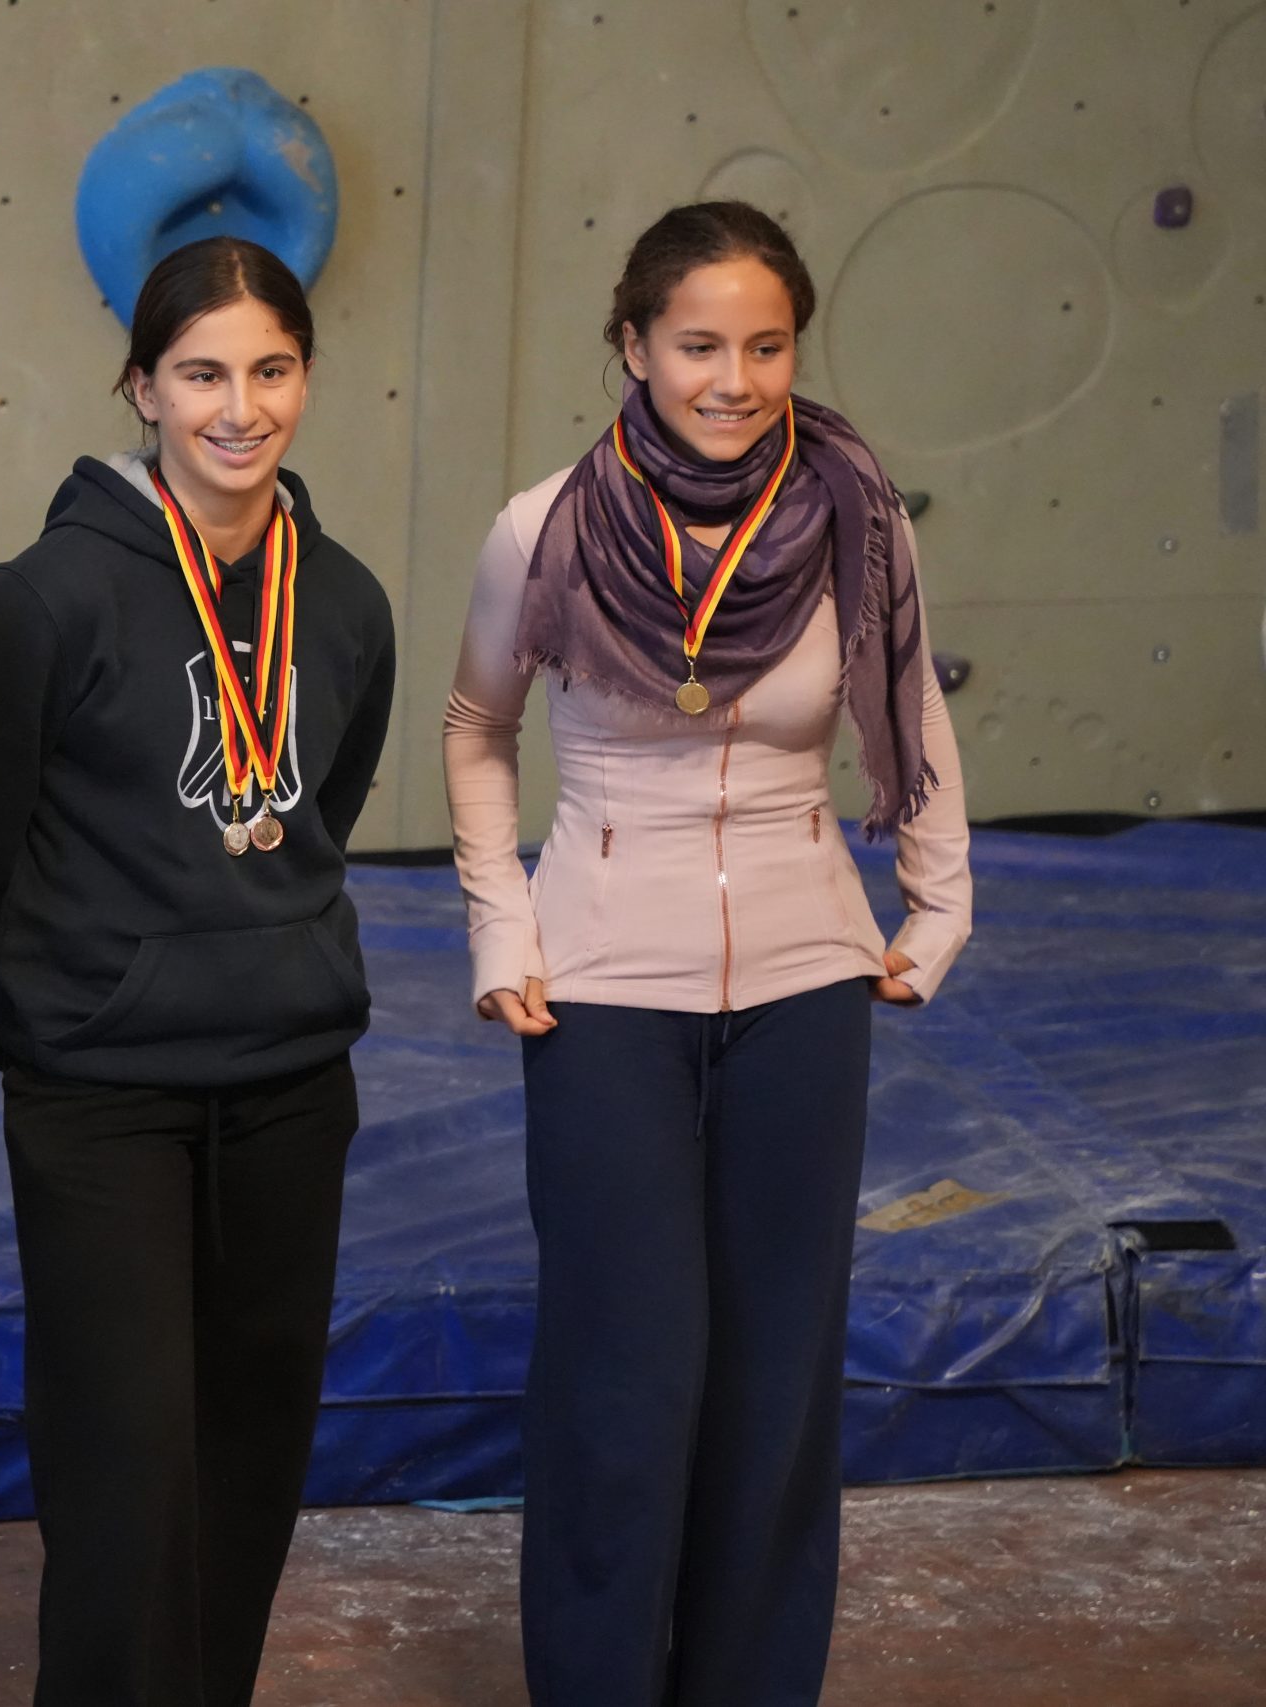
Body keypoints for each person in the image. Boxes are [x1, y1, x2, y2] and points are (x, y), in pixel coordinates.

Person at [441, 199, 974, 1706]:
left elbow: (911, 705)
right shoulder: (542, 526)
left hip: (810, 976)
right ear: (633, 346)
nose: (733, 380)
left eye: (766, 346)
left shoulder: (859, 514)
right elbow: (476, 729)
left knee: (778, 1376)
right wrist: (501, 922)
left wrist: (937, 903)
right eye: (697, 346)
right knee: (629, 1371)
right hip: (601, 985)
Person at [0, 235, 396, 1707]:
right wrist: (44, 1015)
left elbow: (322, 810)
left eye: (270, 371)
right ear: (142, 388)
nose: (239, 409)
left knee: (250, 1463)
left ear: (305, 378)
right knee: (124, 1474)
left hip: (293, 1085)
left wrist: (268, 952)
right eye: (201, 374)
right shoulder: (43, 599)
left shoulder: (346, 600)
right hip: (103, 1098)